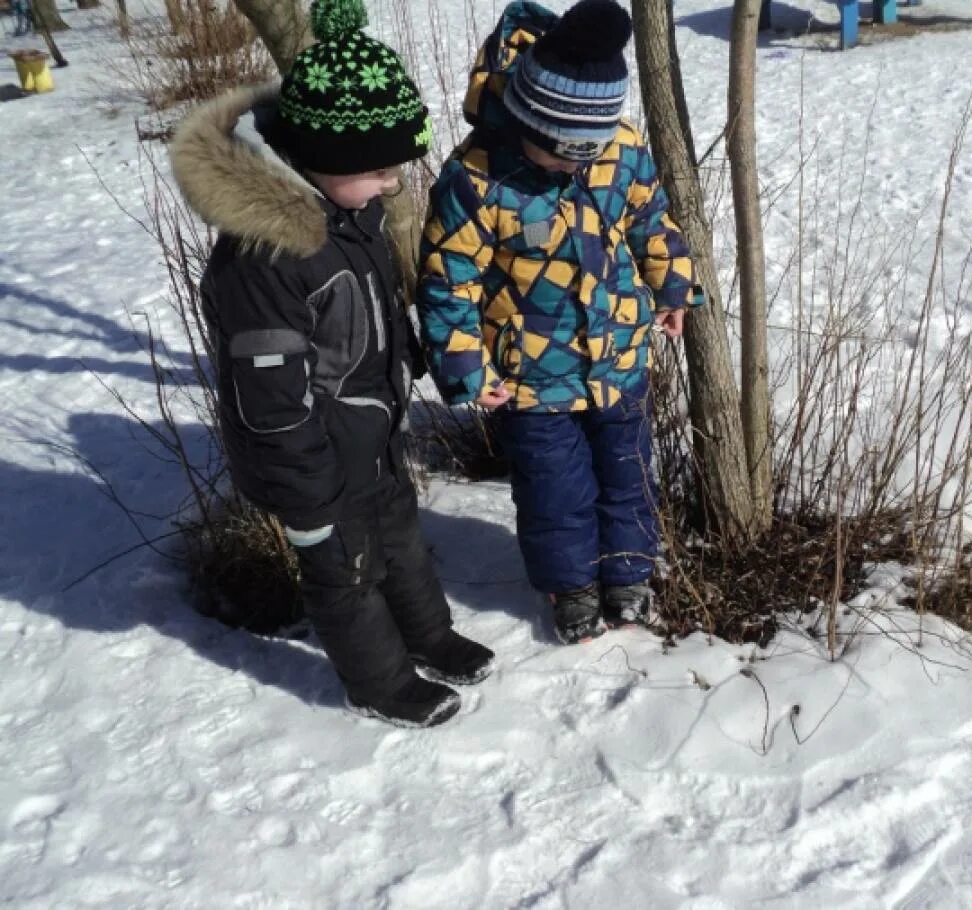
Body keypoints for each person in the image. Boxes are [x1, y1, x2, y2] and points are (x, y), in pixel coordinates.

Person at [169, 0, 493, 727]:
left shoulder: (345, 212)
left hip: (367, 433)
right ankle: (377, 680)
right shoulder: (267, 258)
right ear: (321, 159)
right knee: (343, 569)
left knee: (400, 540)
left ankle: (428, 635)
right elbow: (270, 401)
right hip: (311, 459)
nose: (390, 185)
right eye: (378, 171)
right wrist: (304, 499)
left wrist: (408, 362)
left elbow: (370, 313)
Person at [416, 0, 703, 644]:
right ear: (526, 120)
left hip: (619, 359)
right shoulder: (476, 177)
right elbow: (447, 279)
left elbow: (650, 219)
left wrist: (673, 285)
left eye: (588, 152)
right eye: (561, 155)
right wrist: (465, 367)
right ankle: (571, 588)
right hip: (530, 379)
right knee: (554, 493)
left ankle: (629, 573)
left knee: (628, 473)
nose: (576, 167)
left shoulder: (621, 150)